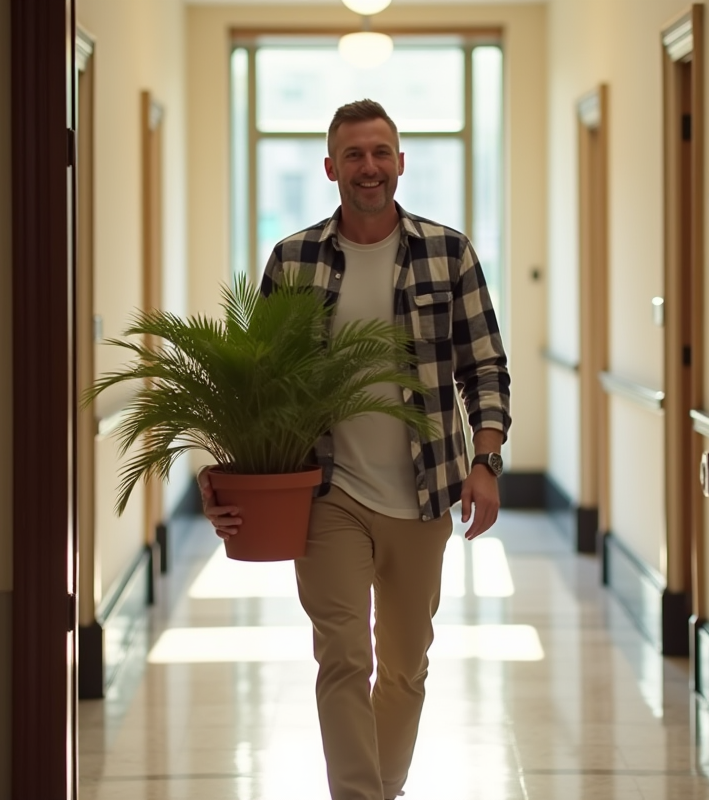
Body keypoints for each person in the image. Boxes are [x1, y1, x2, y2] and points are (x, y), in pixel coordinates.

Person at [198, 98, 511, 800]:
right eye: (354, 155)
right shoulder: (295, 260)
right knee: (342, 657)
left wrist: (485, 461)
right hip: (328, 492)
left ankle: (383, 787)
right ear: (331, 166)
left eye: (380, 153)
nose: (368, 168)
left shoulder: (448, 251)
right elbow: (259, 385)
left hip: (426, 491)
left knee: (405, 665)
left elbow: (484, 367)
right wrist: (225, 483)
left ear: (400, 163)